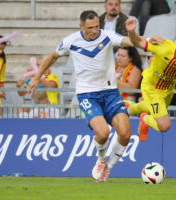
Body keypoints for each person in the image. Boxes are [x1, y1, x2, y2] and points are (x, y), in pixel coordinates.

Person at [27, 10, 134, 182]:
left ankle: (109, 166)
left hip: (110, 92)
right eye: (90, 27)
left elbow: (129, 41)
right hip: (87, 94)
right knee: (104, 133)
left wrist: (133, 32)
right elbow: (53, 56)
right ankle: (101, 159)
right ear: (81, 26)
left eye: (97, 26)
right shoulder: (71, 41)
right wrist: (36, 77)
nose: (94, 30)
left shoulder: (107, 36)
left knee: (126, 134)